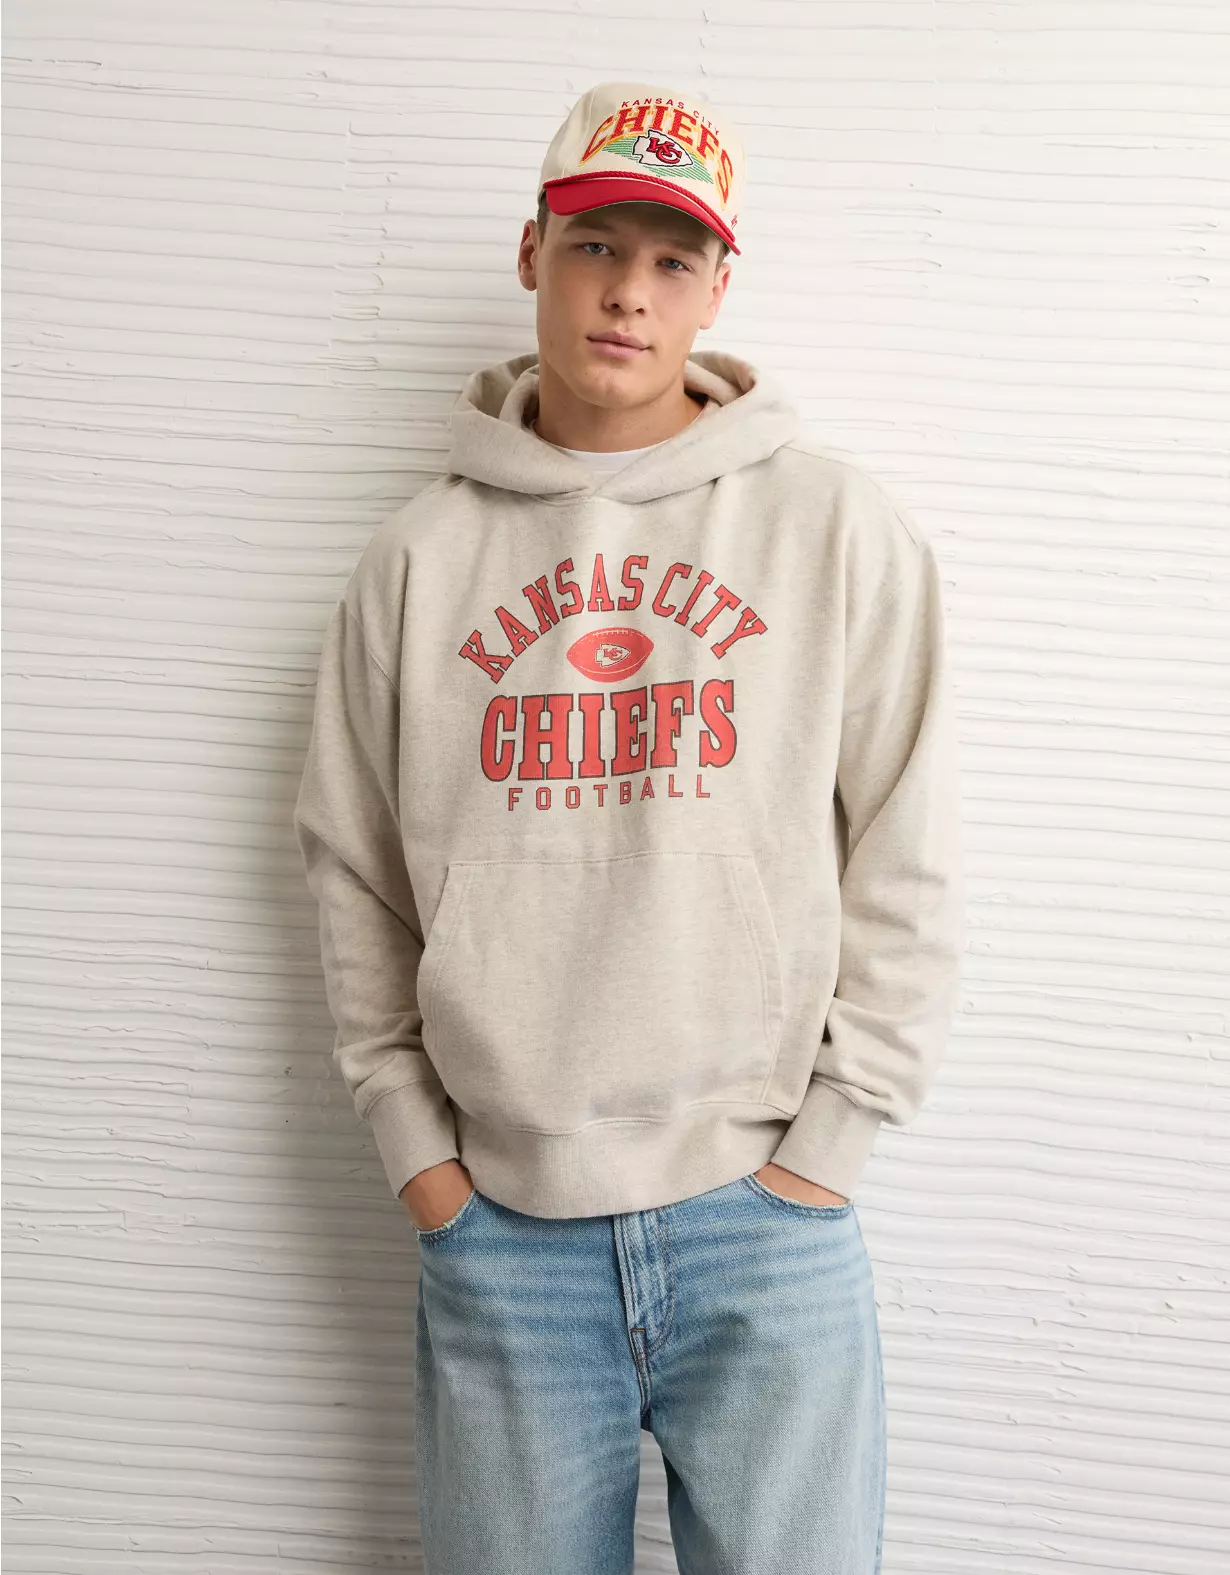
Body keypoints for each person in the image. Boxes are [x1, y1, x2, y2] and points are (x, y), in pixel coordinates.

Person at [293, 78, 965, 1575]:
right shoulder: (415, 561)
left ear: (718, 287)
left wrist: (828, 1147)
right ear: (533, 251)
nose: (627, 294)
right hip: (504, 1232)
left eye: (673, 259)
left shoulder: (833, 529)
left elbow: (906, 851)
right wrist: (423, 1160)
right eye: (597, 244)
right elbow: (352, 872)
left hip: (764, 1223)